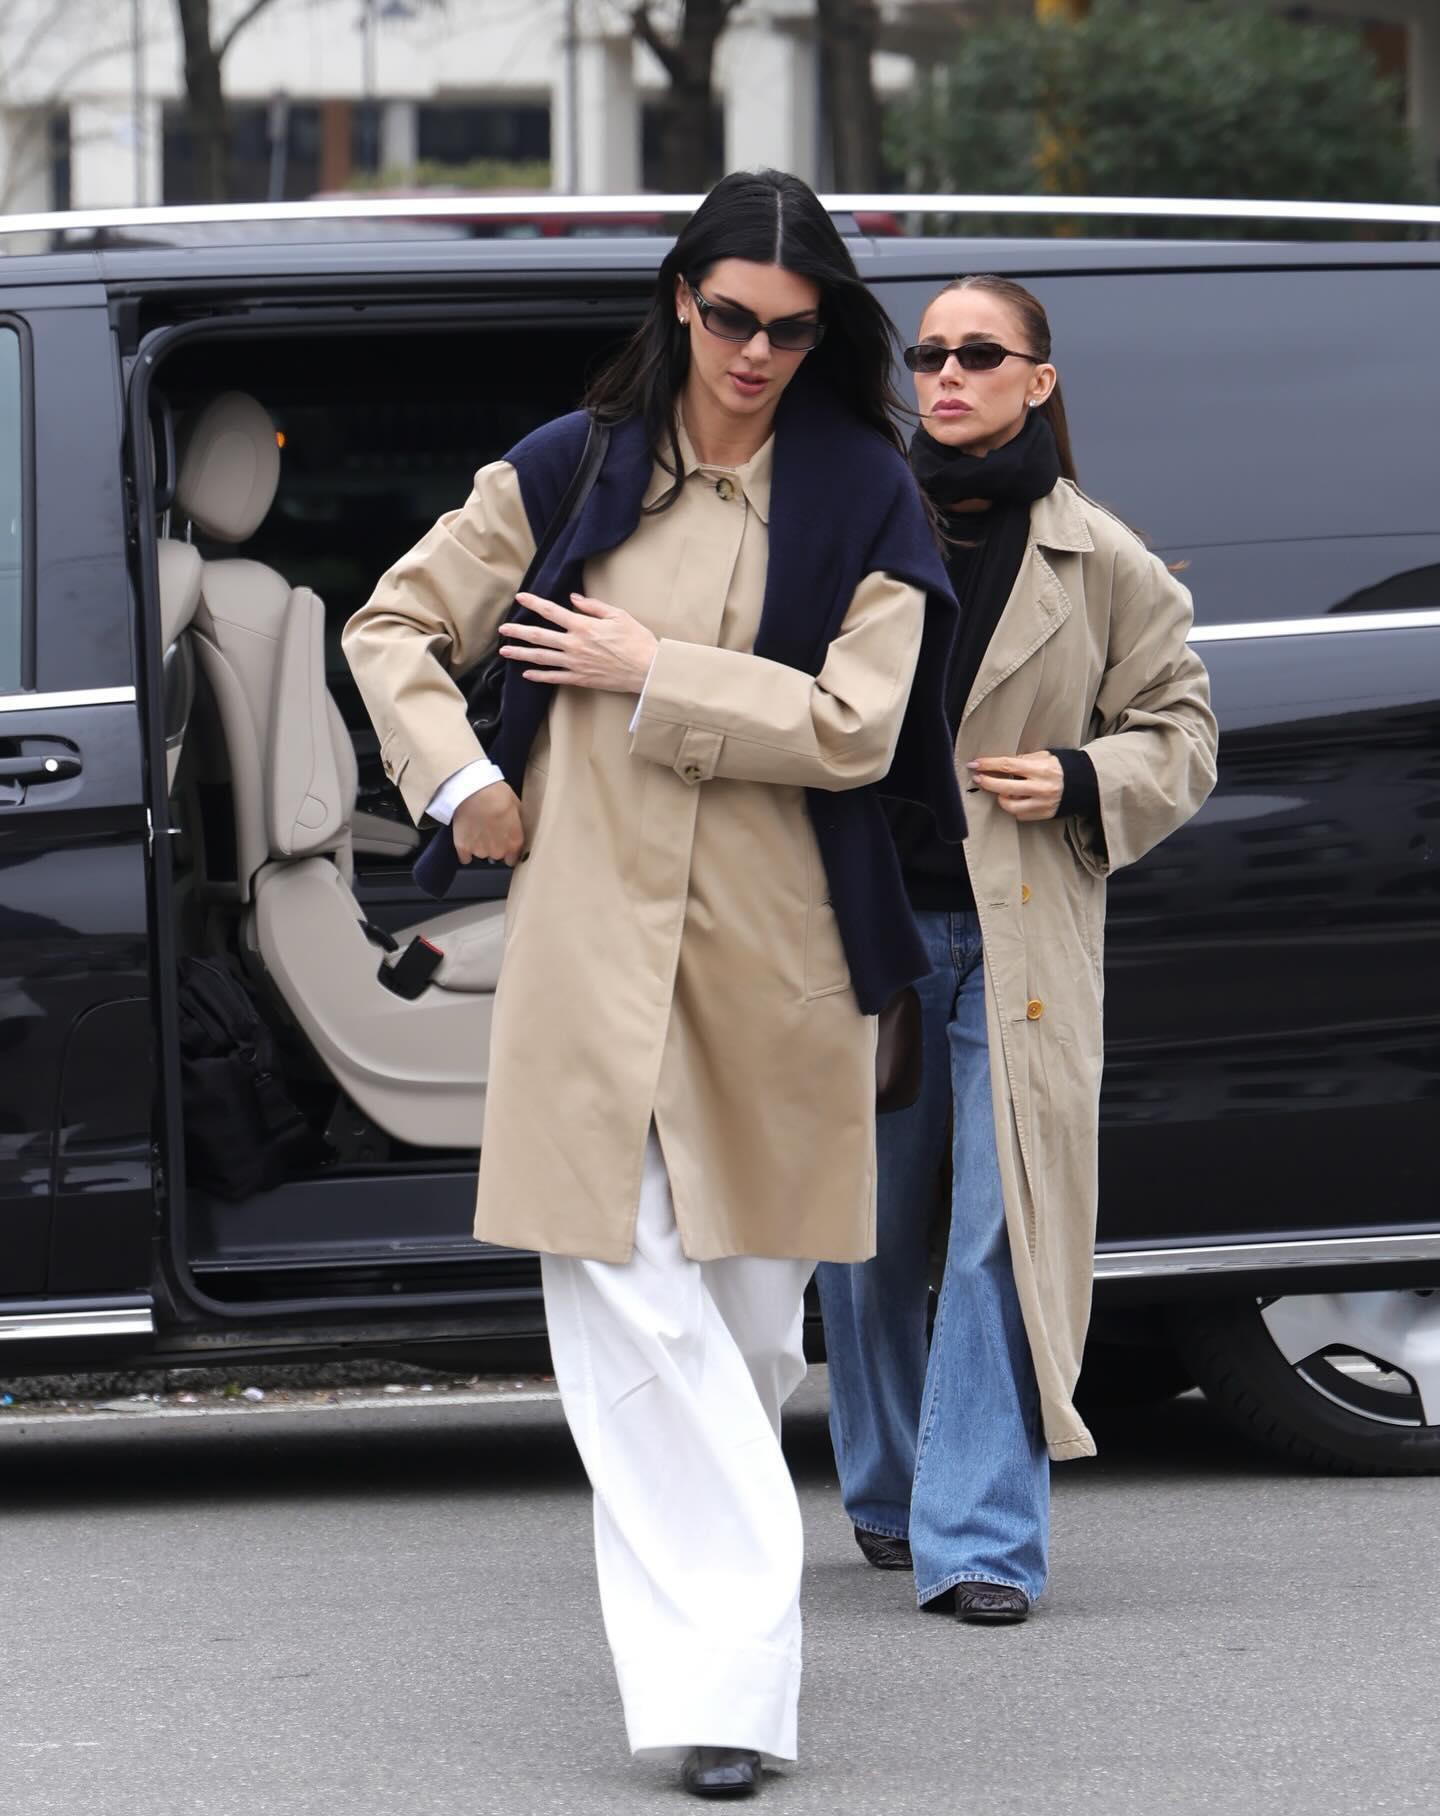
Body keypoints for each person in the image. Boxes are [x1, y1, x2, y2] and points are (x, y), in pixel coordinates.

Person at [341, 171, 964, 1799]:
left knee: (747, 1341)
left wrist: (649, 671)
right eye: (732, 317)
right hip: (587, 959)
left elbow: (860, 729)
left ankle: (726, 1659)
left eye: (792, 330)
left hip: (780, 963)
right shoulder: (570, 465)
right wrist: (460, 781)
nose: (757, 352)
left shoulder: (867, 492)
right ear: (682, 299)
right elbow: (392, 628)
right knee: (624, 1301)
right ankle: (726, 1698)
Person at [817, 274, 1218, 1626]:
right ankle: (888, 1487)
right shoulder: (858, 522)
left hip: (1020, 936)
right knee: (863, 1237)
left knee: (1002, 1230)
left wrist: (1085, 775)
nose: (947, 374)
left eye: (979, 354)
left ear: (1039, 381)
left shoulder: (1103, 556)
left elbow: (1183, 731)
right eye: (929, 353)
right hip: (865, 927)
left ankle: (981, 1538)